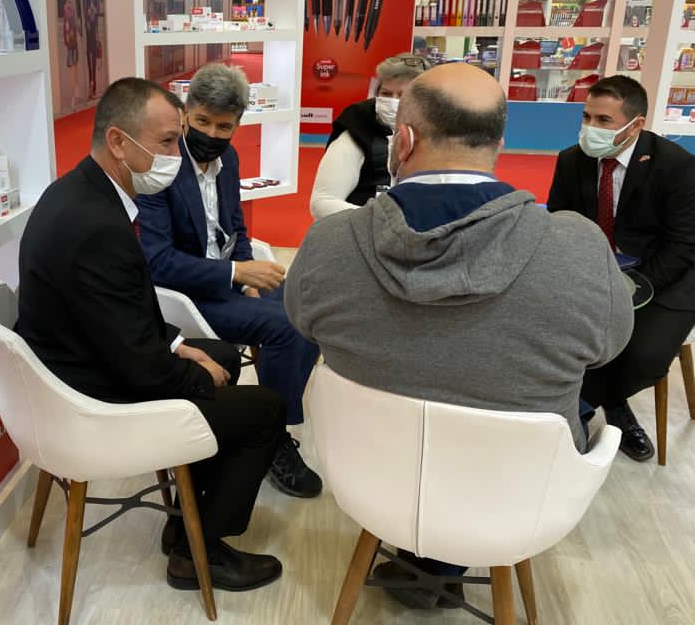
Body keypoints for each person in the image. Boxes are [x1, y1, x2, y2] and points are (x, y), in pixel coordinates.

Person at [286, 62, 632, 610]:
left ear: (402, 141)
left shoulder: (329, 243)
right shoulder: (578, 248)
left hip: (373, 480)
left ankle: (425, 560)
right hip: (514, 499)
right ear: (498, 145)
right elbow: (609, 346)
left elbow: (302, 322)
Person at [16, 77, 285, 593]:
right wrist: (193, 373)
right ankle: (197, 554)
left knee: (224, 356)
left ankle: (189, 516)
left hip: (81, 355)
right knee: (264, 410)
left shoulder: (80, 192)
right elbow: (137, 361)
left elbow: (117, 310)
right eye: (166, 143)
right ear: (119, 142)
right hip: (89, 393)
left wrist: (179, 345)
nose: (176, 156)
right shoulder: (97, 225)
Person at [136, 63, 323, 500]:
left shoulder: (230, 159)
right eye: (202, 121)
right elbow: (158, 263)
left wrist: (245, 274)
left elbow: (234, 226)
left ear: (238, 124)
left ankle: (272, 421)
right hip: (185, 295)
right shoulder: (161, 168)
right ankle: (274, 437)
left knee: (310, 309)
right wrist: (237, 273)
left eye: (224, 126)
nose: (212, 133)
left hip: (225, 280)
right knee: (285, 328)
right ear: (185, 113)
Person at [547, 75, 695, 462]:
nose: (590, 128)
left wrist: (630, 287)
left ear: (636, 124)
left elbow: (683, 244)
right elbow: (560, 223)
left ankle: (590, 408)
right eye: (586, 117)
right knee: (549, 331)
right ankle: (585, 406)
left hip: (666, 276)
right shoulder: (571, 160)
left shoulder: (676, 166)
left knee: (643, 356)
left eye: (603, 120)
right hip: (594, 271)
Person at [310, 53, 430, 220]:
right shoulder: (358, 129)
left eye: (402, 95)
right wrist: (383, 221)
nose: (393, 101)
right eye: (386, 93)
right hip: (365, 227)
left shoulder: (439, 133)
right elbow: (322, 202)